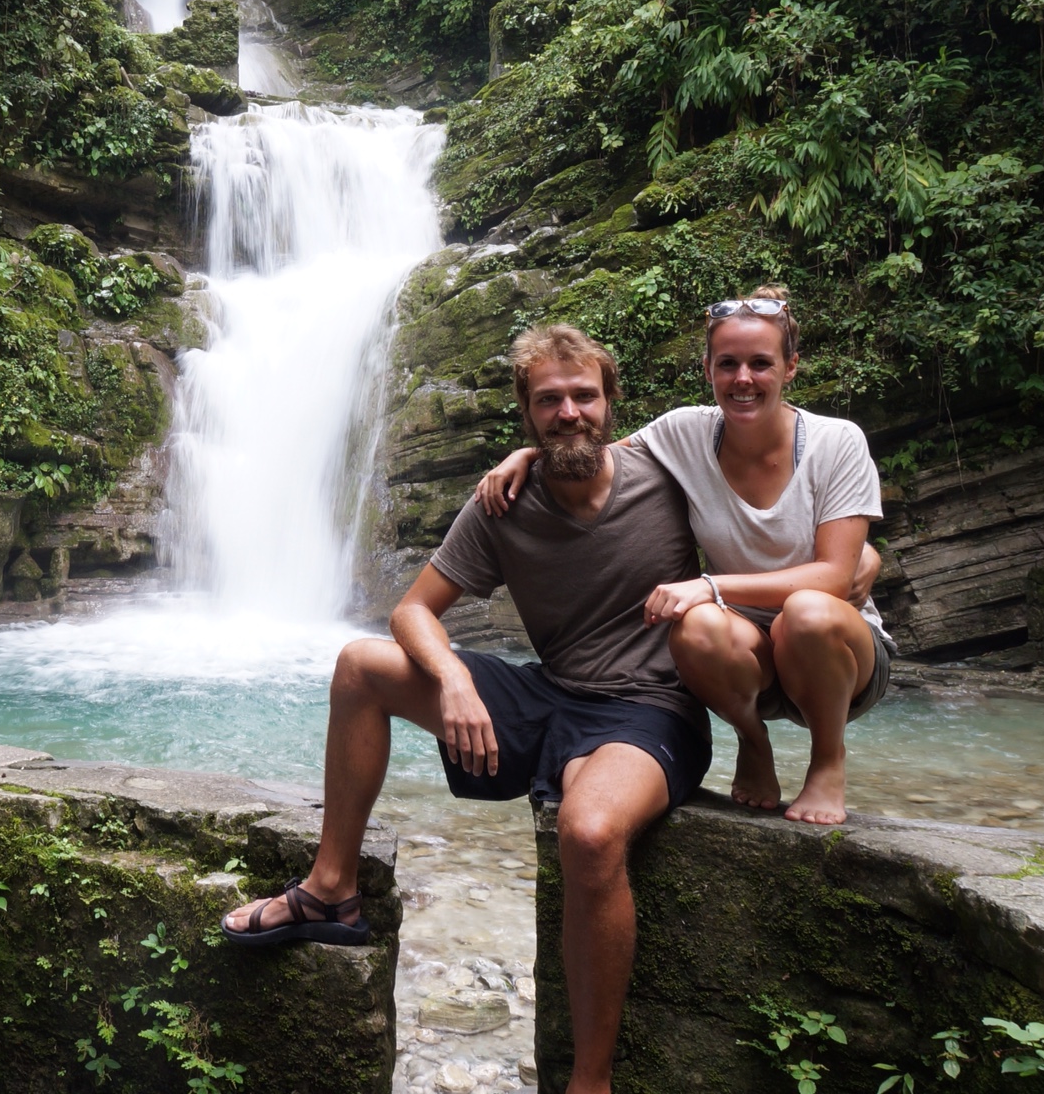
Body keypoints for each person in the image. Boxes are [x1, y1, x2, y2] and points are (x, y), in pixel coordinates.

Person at [221, 324, 711, 1094]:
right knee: (361, 667)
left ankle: (590, 1080)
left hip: (651, 709)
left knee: (589, 832)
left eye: (584, 396)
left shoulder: (669, 474)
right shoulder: (503, 503)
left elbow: (763, 487)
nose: (569, 413)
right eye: (549, 401)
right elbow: (413, 611)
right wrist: (451, 677)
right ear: (527, 412)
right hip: (550, 693)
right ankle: (331, 889)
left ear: (611, 401)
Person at [472, 285, 892, 825]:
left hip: (839, 658)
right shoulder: (684, 432)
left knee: (805, 612)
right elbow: (590, 453)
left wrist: (711, 586)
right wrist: (528, 453)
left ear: (790, 367)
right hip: (749, 660)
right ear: (708, 368)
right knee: (694, 628)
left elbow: (834, 578)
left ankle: (828, 762)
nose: (743, 378)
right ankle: (752, 740)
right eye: (728, 364)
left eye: (761, 363)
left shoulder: (838, 442)